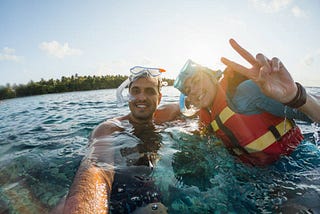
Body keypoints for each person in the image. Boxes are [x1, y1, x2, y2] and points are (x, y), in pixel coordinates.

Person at [173, 38, 320, 166]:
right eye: (187, 90)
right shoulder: (206, 117)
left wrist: (295, 95)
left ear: (212, 77)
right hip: (260, 174)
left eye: (197, 80)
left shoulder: (247, 92)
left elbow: (314, 116)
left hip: (298, 160)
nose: (192, 90)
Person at [53, 66, 177, 214]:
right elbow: (97, 165)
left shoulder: (167, 117)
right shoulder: (109, 128)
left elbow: (192, 105)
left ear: (159, 98)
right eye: (136, 91)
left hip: (148, 186)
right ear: (128, 95)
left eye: (150, 91)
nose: (142, 97)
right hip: (113, 192)